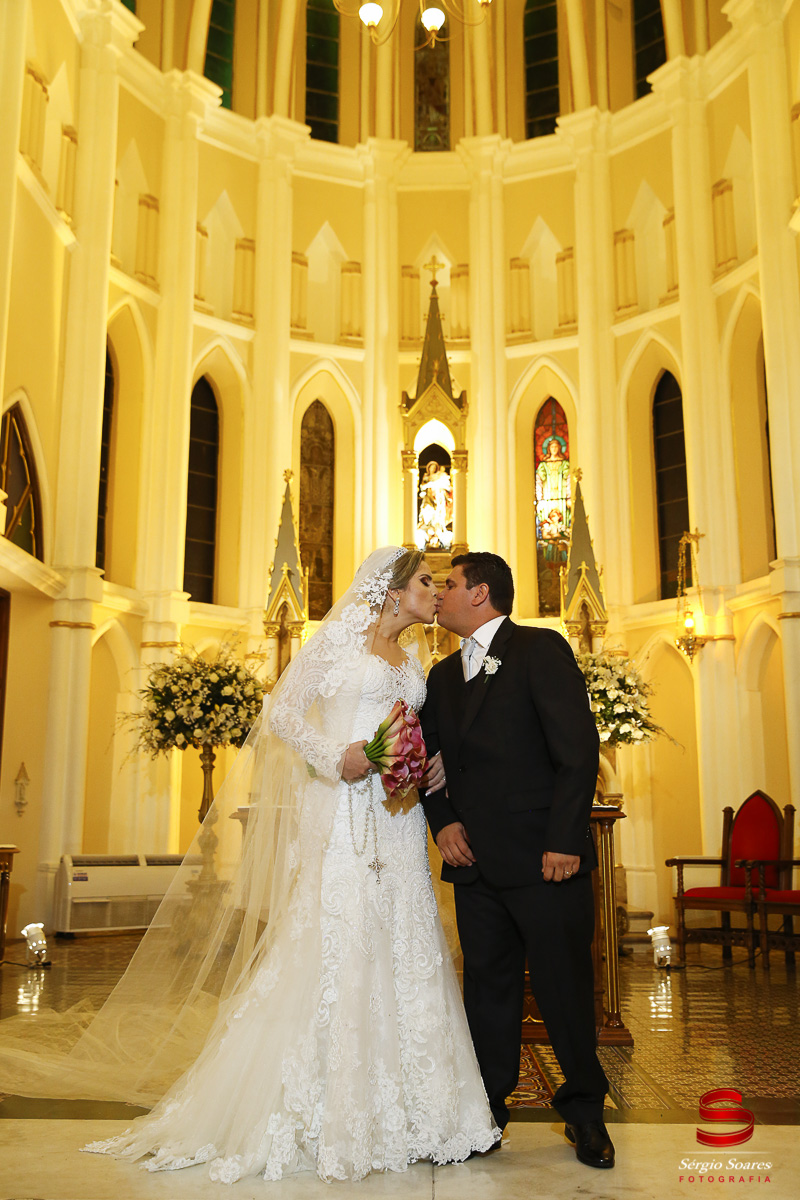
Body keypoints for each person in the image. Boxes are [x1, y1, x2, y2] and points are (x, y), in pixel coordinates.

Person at [1, 548, 499, 1182]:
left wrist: (428, 763)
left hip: (397, 823)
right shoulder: (338, 642)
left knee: (402, 943)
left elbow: (416, 730)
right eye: (426, 582)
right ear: (392, 592)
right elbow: (283, 712)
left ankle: (422, 1114)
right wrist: (333, 758)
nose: (436, 591)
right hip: (344, 808)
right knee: (338, 943)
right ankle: (328, 1113)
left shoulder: (417, 659)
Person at [420, 551, 615, 1170]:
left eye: (449, 584)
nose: (441, 594)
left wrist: (563, 839)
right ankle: (487, 1114)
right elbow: (425, 767)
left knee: (563, 991)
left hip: (544, 861)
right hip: (476, 866)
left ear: (480, 594)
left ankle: (585, 1114)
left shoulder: (538, 649)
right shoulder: (442, 678)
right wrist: (443, 821)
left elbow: (577, 751)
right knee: (488, 993)